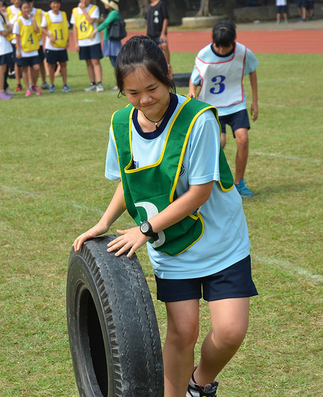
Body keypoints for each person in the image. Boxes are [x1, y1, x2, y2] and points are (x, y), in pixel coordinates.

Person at [73, 36, 257, 397]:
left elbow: (199, 194)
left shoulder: (199, 120)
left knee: (231, 332)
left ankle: (198, 384)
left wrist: (144, 229)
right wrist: (105, 222)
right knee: (183, 332)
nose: (144, 100)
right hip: (172, 248)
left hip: (221, 241)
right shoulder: (121, 124)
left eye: (152, 88)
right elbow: (130, 180)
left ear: (168, 75)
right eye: (132, 92)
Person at [188, 21, 259, 197]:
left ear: (233, 41)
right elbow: (194, 79)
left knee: (243, 139)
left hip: (236, 103)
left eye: (226, 47)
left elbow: (252, 71)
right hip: (212, 106)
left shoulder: (243, 53)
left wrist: (255, 101)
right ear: (213, 41)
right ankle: (212, 182)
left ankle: (239, 183)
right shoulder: (204, 55)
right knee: (220, 142)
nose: (221, 51)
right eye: (218, 47)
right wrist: (191, 92)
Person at [71, 0, 103, 92]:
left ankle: (99, 83)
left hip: (93, 40)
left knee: (95, 61)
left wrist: (84, 10)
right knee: (88, 62)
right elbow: (75, 27)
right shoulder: (75, 11)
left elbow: (90, 21)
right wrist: (76, 42)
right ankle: (92, 83)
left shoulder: (94, 8)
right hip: (82, 41)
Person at [41, 0, 71, 93]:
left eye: (57, 3)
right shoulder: (47, 15)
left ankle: (65, 84)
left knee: (63, 64)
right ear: (50, 4)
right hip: (51, 46)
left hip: (61, 44)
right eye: (54, 3)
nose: (55, 5)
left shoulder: (63, 14)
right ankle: (52, 85)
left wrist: (67, 40)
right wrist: (50, 36)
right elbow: (42, 28)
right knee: (51, 65)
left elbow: (66, 28)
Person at [13, 1, 41, 96]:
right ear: (21, 9)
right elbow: (17, 37)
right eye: (24, 8)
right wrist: (18, 51)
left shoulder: (32, 19)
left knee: (36, 68)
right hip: (24, 49)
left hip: (33, 48)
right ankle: (27, 88)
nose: (26, 10)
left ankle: (34, 85)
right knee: (25, 69)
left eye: (28, 8)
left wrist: (33, 20)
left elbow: (37, 31)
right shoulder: (18, 21)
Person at [93, 0, 121, 91]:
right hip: (109, 40)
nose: (105, 4)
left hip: (112, 41)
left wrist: (96, 31)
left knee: (116, 63)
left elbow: (105, 24)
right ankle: (119, 83)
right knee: (114, 63)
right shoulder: (112, 13)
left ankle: (119, 84)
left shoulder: (114, 13)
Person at [146, 0, 170, 65]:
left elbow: (165, 19)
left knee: (164, 45)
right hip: (150, 35)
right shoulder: (149, 6)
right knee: (149, 53)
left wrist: (163, 33)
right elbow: (147, 22)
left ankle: (168, 66)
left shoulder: (161, 4)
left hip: (159, 34)